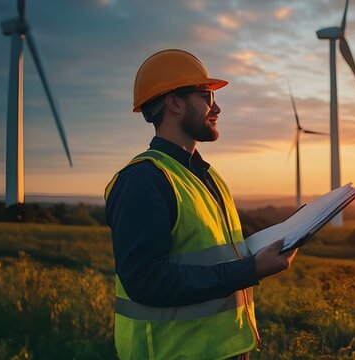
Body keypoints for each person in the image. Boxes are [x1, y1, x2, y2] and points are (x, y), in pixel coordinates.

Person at [105, 49, 297, 360]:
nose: (217, 107)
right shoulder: (145, 180)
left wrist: (280, 238)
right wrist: (251, 269)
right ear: (174, 102)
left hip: (228, 350)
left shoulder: (207, 176)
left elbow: (215, 253)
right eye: (206, 96)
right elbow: (147, 281)